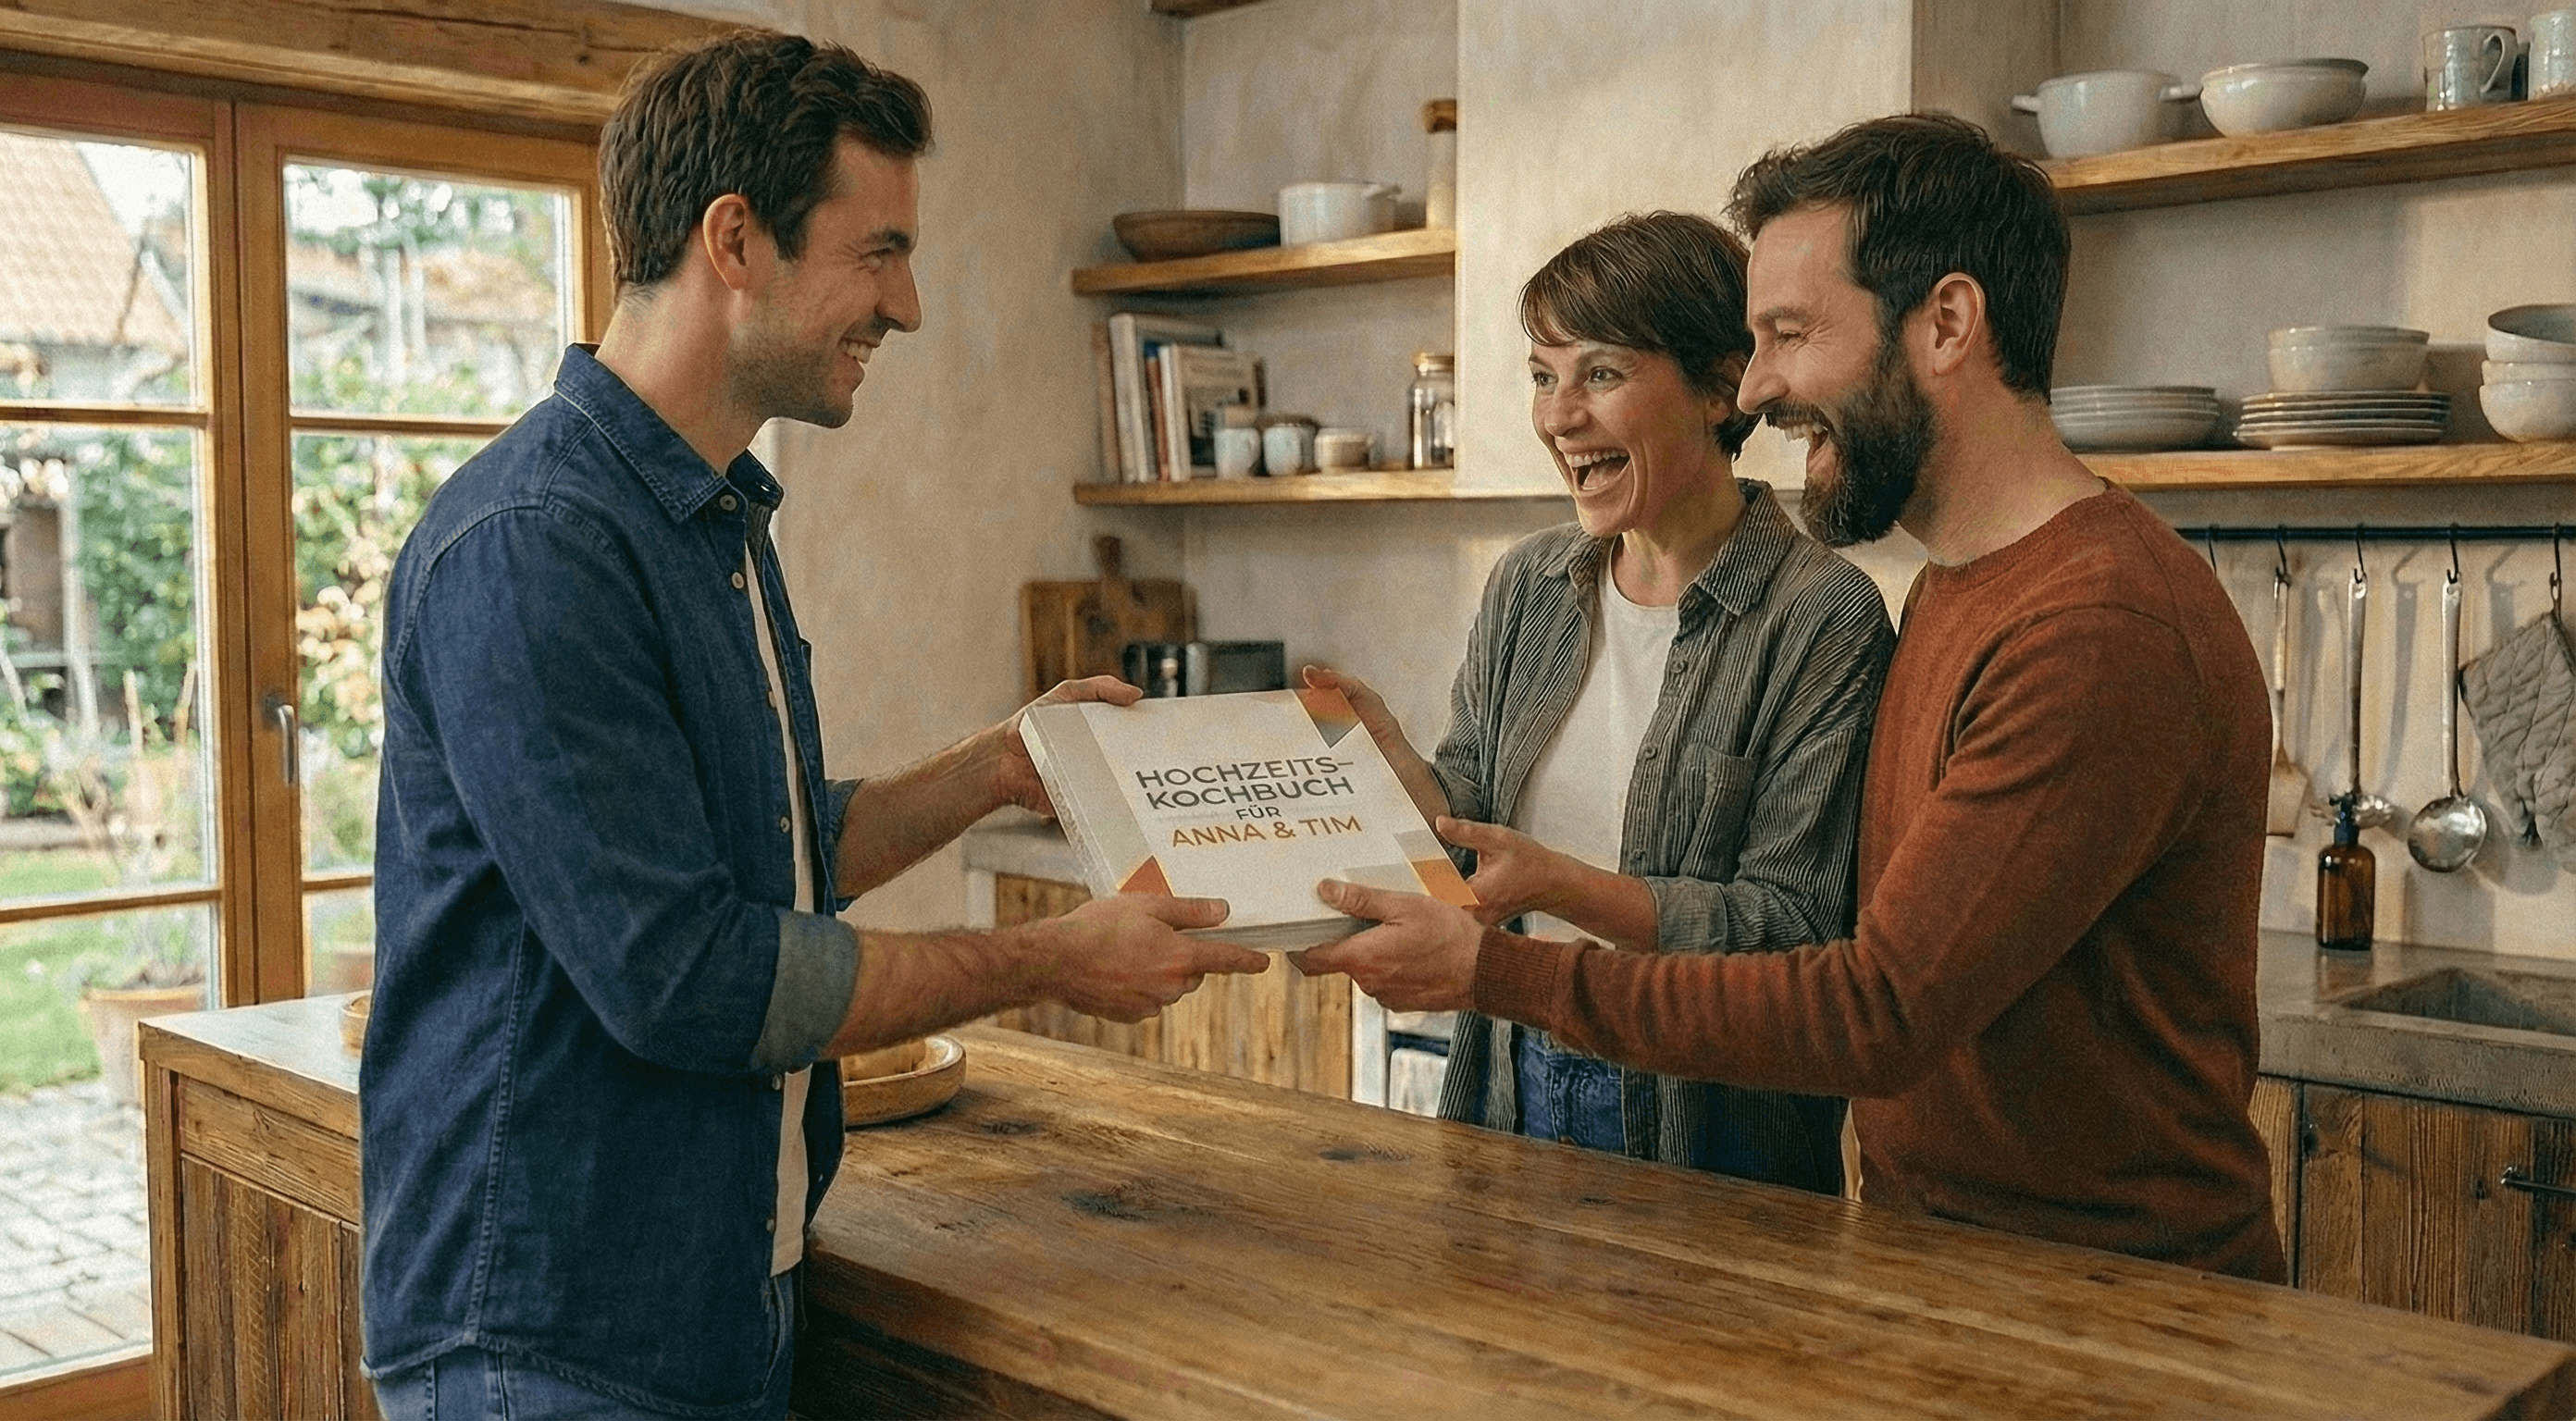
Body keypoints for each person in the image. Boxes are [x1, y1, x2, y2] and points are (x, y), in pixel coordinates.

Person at [360, 31, 1266, 1421]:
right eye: (878, 251)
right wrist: (1049, 962)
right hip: (553, 1342)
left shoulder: (715, 516)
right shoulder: (537, 543)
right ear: (737, 239)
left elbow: (774, 852)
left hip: (723, 1293)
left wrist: (995, 765)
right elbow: (688, 975)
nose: (905, 306)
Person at [1298, 113, 2285, 1283]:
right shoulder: (1958, 589)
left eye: (1789, 335)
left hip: (2119, 1304)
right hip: (1950, 1263)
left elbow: (1872, 1006)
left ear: (1948, 324)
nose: (1757, 388)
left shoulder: (2094, 629)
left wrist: (1498, 969)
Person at [1307, 212, 1891, 1192]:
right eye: (1543, 375)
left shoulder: (1821, 618)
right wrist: (1396, 768)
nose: (1559, 415)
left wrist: (1562, 885)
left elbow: (1792, 933)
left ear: (1719, 386)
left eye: (1602, 374)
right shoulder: (1529, 585)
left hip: (1708, 1130)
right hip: (1507, 1083)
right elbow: (1467, 849)